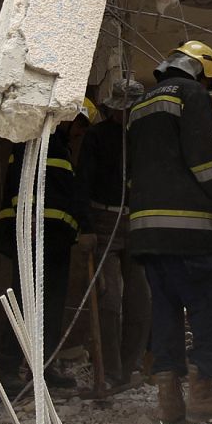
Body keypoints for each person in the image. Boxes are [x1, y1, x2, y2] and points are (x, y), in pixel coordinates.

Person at [127, 41, 212, 424]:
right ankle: (203, 391)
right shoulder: (192, 94)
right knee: (211, 306)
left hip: (147, 230)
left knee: (165, 310)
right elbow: (204, 159)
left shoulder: (140, 104)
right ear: (202, 73)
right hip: (191, 229)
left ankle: (169, 401)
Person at [0, 100, 94, 390]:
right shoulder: (33, 143)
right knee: (25, 304)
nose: (79, 133)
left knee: (50, 308)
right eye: (79, 125)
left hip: (55, 242)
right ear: (66, 118)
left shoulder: (60, 148)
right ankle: (10, 369)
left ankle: (45, 368)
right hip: (34, 238)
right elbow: (23, 188)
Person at [77, 79, 150, 391]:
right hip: (104, 220)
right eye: (122, 110)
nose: (125, 115)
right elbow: (83, 181)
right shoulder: (96, 136)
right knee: (110, 300)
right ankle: (109, 370)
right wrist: (87, 227)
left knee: (141, 299)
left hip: (136, 222)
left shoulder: (141, 139)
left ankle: (129, 368)